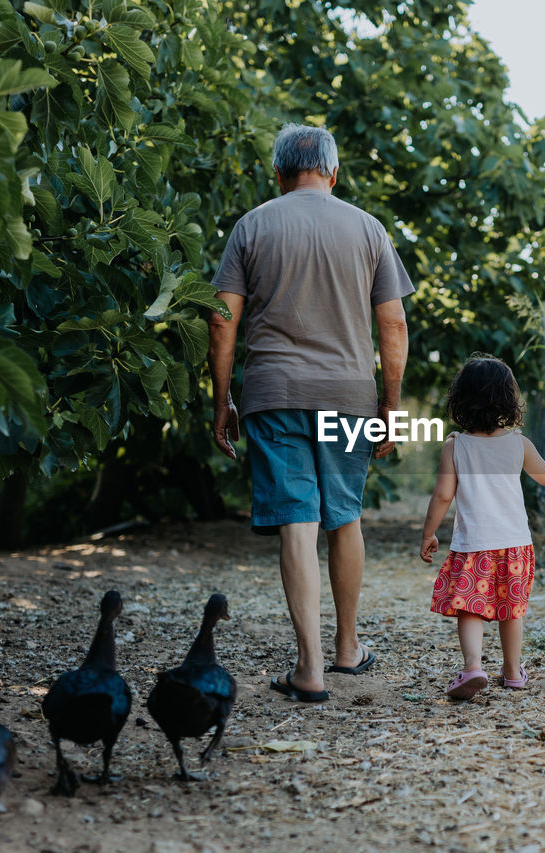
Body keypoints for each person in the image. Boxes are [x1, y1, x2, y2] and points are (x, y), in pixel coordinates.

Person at [208, 123, 414, 703]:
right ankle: (349, 649)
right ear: (333, 172)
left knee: (297, 520)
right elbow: (393, 324)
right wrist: (391, 406)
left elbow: (221, 320)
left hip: (273, 395)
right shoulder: (368, 229)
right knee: (343, 516)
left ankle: (310, 668)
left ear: (277, 174)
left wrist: (221, 399)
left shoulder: (252, 226)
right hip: (348, 396)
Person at [419, 356, 545, 700]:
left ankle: (473, 667)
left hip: (473, 546)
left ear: (460, 400)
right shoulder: (518, 443)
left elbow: (442, 495)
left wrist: (429, 533)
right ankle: (512, 672)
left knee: (470, 607)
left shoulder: (455, 445)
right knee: (512, 609)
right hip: (514, 546)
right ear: (508, 399)